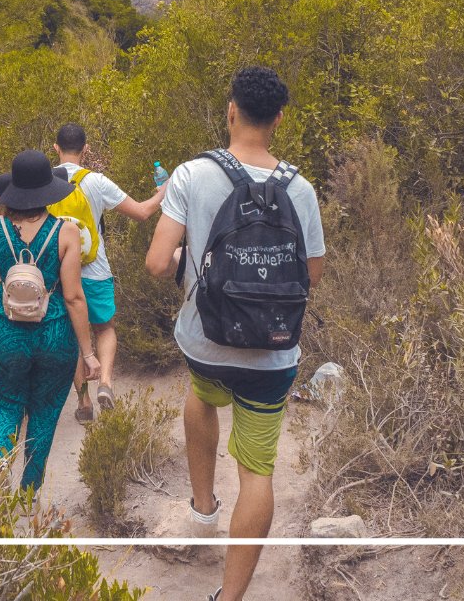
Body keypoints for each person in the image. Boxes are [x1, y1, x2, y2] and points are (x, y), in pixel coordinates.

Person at [144, 67, 325, 601]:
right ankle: (230, 596)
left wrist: (189, 259)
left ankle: (203, 510)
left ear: (231, 111)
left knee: (201, 396)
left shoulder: (190, 175)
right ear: (279, 119)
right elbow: (312, 275)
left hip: (206, 343)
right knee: (258, 472)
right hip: (273, 354)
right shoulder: (301, 189)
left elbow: (156, 263)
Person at [0, 122, 165, 422]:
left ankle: (84, 402)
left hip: (56, 275)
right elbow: (142, 212)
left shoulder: (43, 182)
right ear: (86, 149)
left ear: (56, 148)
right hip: (96, 270)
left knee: (71, 334)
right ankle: (106, 382)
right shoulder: (97, 182)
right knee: (105, 328)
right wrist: (165, 191)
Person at [0, 149, 100, 493]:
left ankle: (1, 465)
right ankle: (29, 496)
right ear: (48, 192)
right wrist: (88, 354)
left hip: (6, 333)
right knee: (44, 414)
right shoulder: (66, 232)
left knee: (5, 405)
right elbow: (74, 297)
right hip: (54, 337)